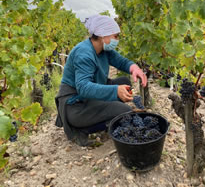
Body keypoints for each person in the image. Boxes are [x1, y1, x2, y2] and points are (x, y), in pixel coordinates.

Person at [55, 15, 147, 146]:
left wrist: (134, 68)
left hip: (89, 95)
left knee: (124, 82)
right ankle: (82, 129)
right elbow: (83, 88)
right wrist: (115, 91)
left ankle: (104, 112)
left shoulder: (103, 49)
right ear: (104, 36)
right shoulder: (84, 53)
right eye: (115, 36)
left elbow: (120, 61)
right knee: (123, 111)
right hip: (76, 105)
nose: (117, 40)